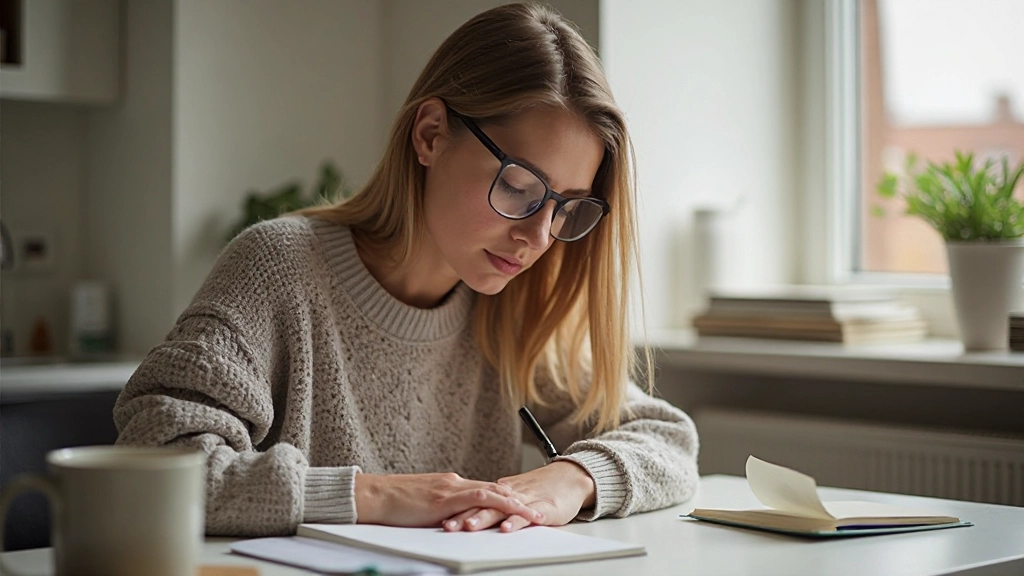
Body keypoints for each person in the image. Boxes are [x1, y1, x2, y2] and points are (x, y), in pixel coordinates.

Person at [113, 2, 699, 537]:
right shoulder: (278, 268)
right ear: (430, 135)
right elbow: (151, 461)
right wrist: (374, 495)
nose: (538, 237)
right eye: (520, 187)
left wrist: (571, 478)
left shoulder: (510, 311)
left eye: (566, 209)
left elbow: (669, 439)